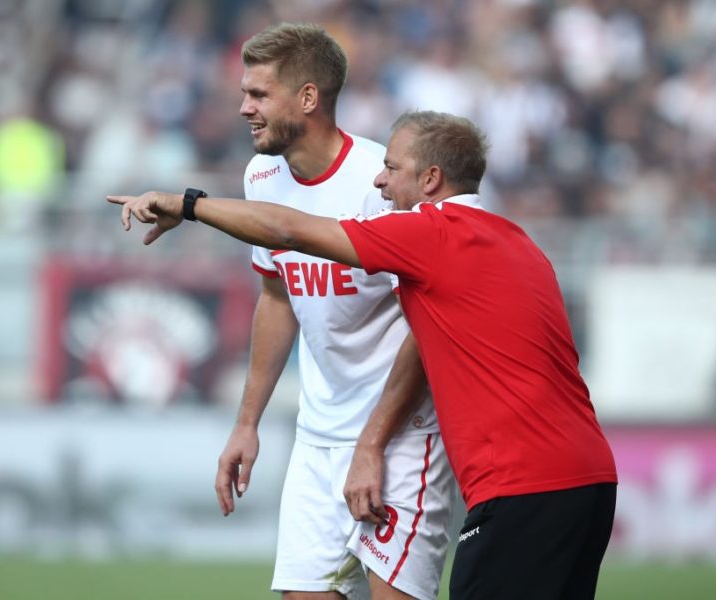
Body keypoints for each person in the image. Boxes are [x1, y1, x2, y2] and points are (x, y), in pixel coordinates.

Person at [108, 109, 619, 600]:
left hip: (520, 487)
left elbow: (292, 231)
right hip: (591, 479)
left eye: (392, 169)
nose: (379, 182)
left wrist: (190, 205)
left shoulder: (433, 234)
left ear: (431, 180)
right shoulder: (519, 241)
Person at [137, 24, 455, 600]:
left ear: (308, 98)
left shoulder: (382, 183)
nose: (243, 108)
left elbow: (426, 327)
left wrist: (372, 443)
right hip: (317, 437)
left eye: (258, 95)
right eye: (244, 93)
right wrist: (247, 422)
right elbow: (278, 295)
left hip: (402, 437)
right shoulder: (260, 176)